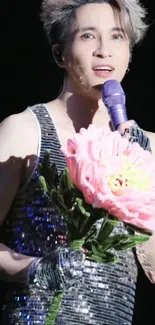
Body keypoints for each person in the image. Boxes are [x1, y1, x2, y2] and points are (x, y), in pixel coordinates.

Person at [0, 0, 154, 324]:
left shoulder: (147, 147)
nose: (104, 51)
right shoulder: (25, 132)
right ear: (60, 54)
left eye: (117, 36)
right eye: (87, 36)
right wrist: (33, 269)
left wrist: (146, 171)